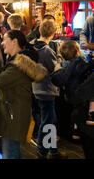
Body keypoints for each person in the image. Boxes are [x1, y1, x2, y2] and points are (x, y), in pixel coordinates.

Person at [0, 30, 46, 159]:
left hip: (13, 115)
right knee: (13, 150)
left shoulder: (17, 66)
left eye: (4, 39)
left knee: (10, 153)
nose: (2, 43)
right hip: (14, 112)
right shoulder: (17, 61)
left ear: (14, 41)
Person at [51, 40, 94, 158]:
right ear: (77, 51)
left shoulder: (64, 66)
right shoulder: (80, 63)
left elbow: (57, 79)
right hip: (81, 104)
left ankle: (50, 149)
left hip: (71, 101)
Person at [32, 19, 66, 159]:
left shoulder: (32, 45)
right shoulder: (46, 50)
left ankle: (53, 151)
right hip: (46, 90)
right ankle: (42, 150)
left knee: (50, 120)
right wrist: (59, 53)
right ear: (53, 33)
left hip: (35, 87)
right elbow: (56, 70)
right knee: (47, 122)